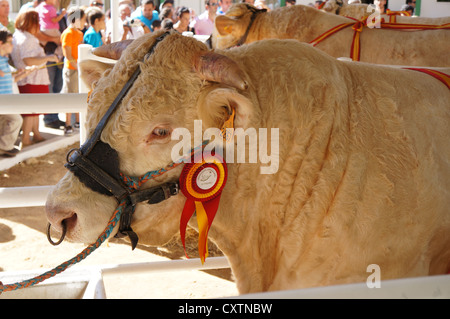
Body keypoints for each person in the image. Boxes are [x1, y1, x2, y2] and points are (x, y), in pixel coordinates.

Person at [11, 10, 59, 147]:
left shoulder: (18, 36)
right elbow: (29, 60)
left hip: (28, 78)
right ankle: (26, 138)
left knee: (34, 109)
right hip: (32, 78)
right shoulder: (28, 39)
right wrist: (48, 57)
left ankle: (36, 134)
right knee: (31, 110)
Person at [60, 7, 86, 135]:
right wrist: (77, 66)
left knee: (78, 93)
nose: (84, 22)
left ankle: (77, 121)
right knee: (70, 95)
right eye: (83, 19)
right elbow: (68, 54)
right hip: (71, 69)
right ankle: (68, 124)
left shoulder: (79, 33)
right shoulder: (68, 33)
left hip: (78, 68)